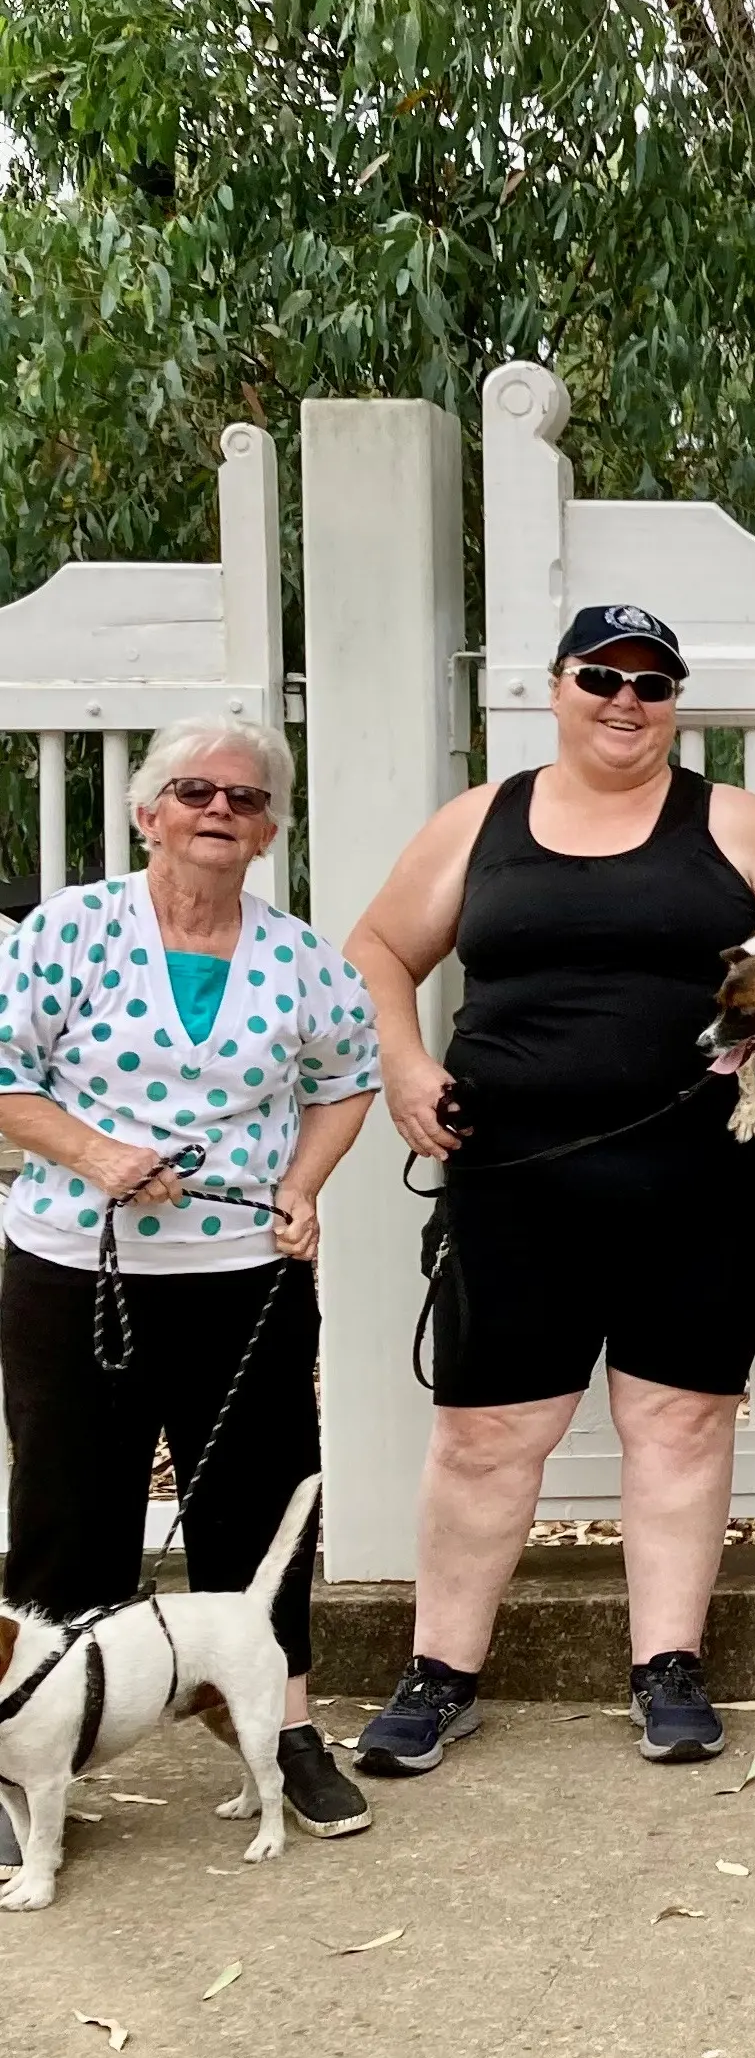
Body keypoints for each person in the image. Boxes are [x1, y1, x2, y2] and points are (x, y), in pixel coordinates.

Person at [344, 605, 755, 1775]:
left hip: (699, 1175)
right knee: (488, 1436)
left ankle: (667, 1666)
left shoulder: (729, 823)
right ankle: (440, 1674)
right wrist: (405, 1060)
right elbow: (379, 950)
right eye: (603, 676)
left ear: (674, 701)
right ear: (557, 688)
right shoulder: (482, 822)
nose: (625, 699)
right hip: (513, 1179)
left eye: (652, 681)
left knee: (678, 1424)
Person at [0, 714, 380, 1869]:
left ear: (270, 831)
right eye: (196, 791)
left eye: (248, 799)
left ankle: (288, 1729)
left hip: (243, 1276)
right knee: (72, 1512)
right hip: (78, 1268)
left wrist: (304, 1187)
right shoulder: (67, 933)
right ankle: (27, 1759)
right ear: (146, 811)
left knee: (261, 1513)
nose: (221, 810)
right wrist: (95, 1156)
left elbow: (349, 1078)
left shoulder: (304, 957)